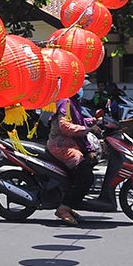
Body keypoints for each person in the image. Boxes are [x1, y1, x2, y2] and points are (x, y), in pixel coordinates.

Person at [46, 93, 99, 224]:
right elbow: (64, 126)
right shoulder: (65, 101)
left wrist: (93, 121)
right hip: (62, 146)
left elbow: (78, 121)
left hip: (72, 144)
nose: (82, 89)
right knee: (86, 177)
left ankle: (69, 204)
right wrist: (87, 129)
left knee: (78, 176)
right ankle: (64, 208)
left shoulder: (73, 102)